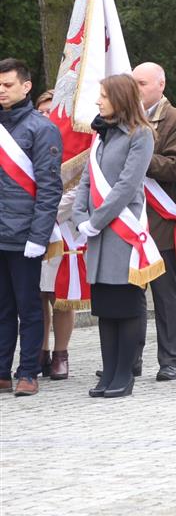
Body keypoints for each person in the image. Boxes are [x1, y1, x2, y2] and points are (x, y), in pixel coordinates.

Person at [73, 74, 161, 398]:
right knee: (105, 308)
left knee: (125, 305)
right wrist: (81, 218)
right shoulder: (102, 135)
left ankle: (124, 373)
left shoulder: (141, 135)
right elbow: (86, 180)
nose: (99, 101)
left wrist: (96, 220)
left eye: (104, 95)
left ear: (121, 98)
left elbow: (127, 185)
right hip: (98, 234)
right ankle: (108, 371)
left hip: (123, 232)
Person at [0, 58, 64, 397]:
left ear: (26, 86)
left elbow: (49, 188)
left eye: (7, 85)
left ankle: (28, 372)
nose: (1, 91)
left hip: (25, 236)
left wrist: (39, 237)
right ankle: (2, 373)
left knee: (29, 308)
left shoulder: (42, 128)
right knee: (2, 309)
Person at [132, 61, 176, 382]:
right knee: (129, 293)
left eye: (142, 83)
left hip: (160, 218)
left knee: (165, 294)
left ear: (161, 84)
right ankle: (129, 357)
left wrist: (138, 156)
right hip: (129, 219)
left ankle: (170, 359)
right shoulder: (123, 118)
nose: (136, 89)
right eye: (133, 83)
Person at [32, 90, 74, 380]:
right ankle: (40, 351)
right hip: (33, 228)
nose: (47, 116)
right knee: (36, 295)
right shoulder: (27, 141)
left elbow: (79, 189)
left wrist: (46, 210)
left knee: (60, 295)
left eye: (52, 111)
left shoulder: (74, 145)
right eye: (42, 111)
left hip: (64, 227)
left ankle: (61, 353)